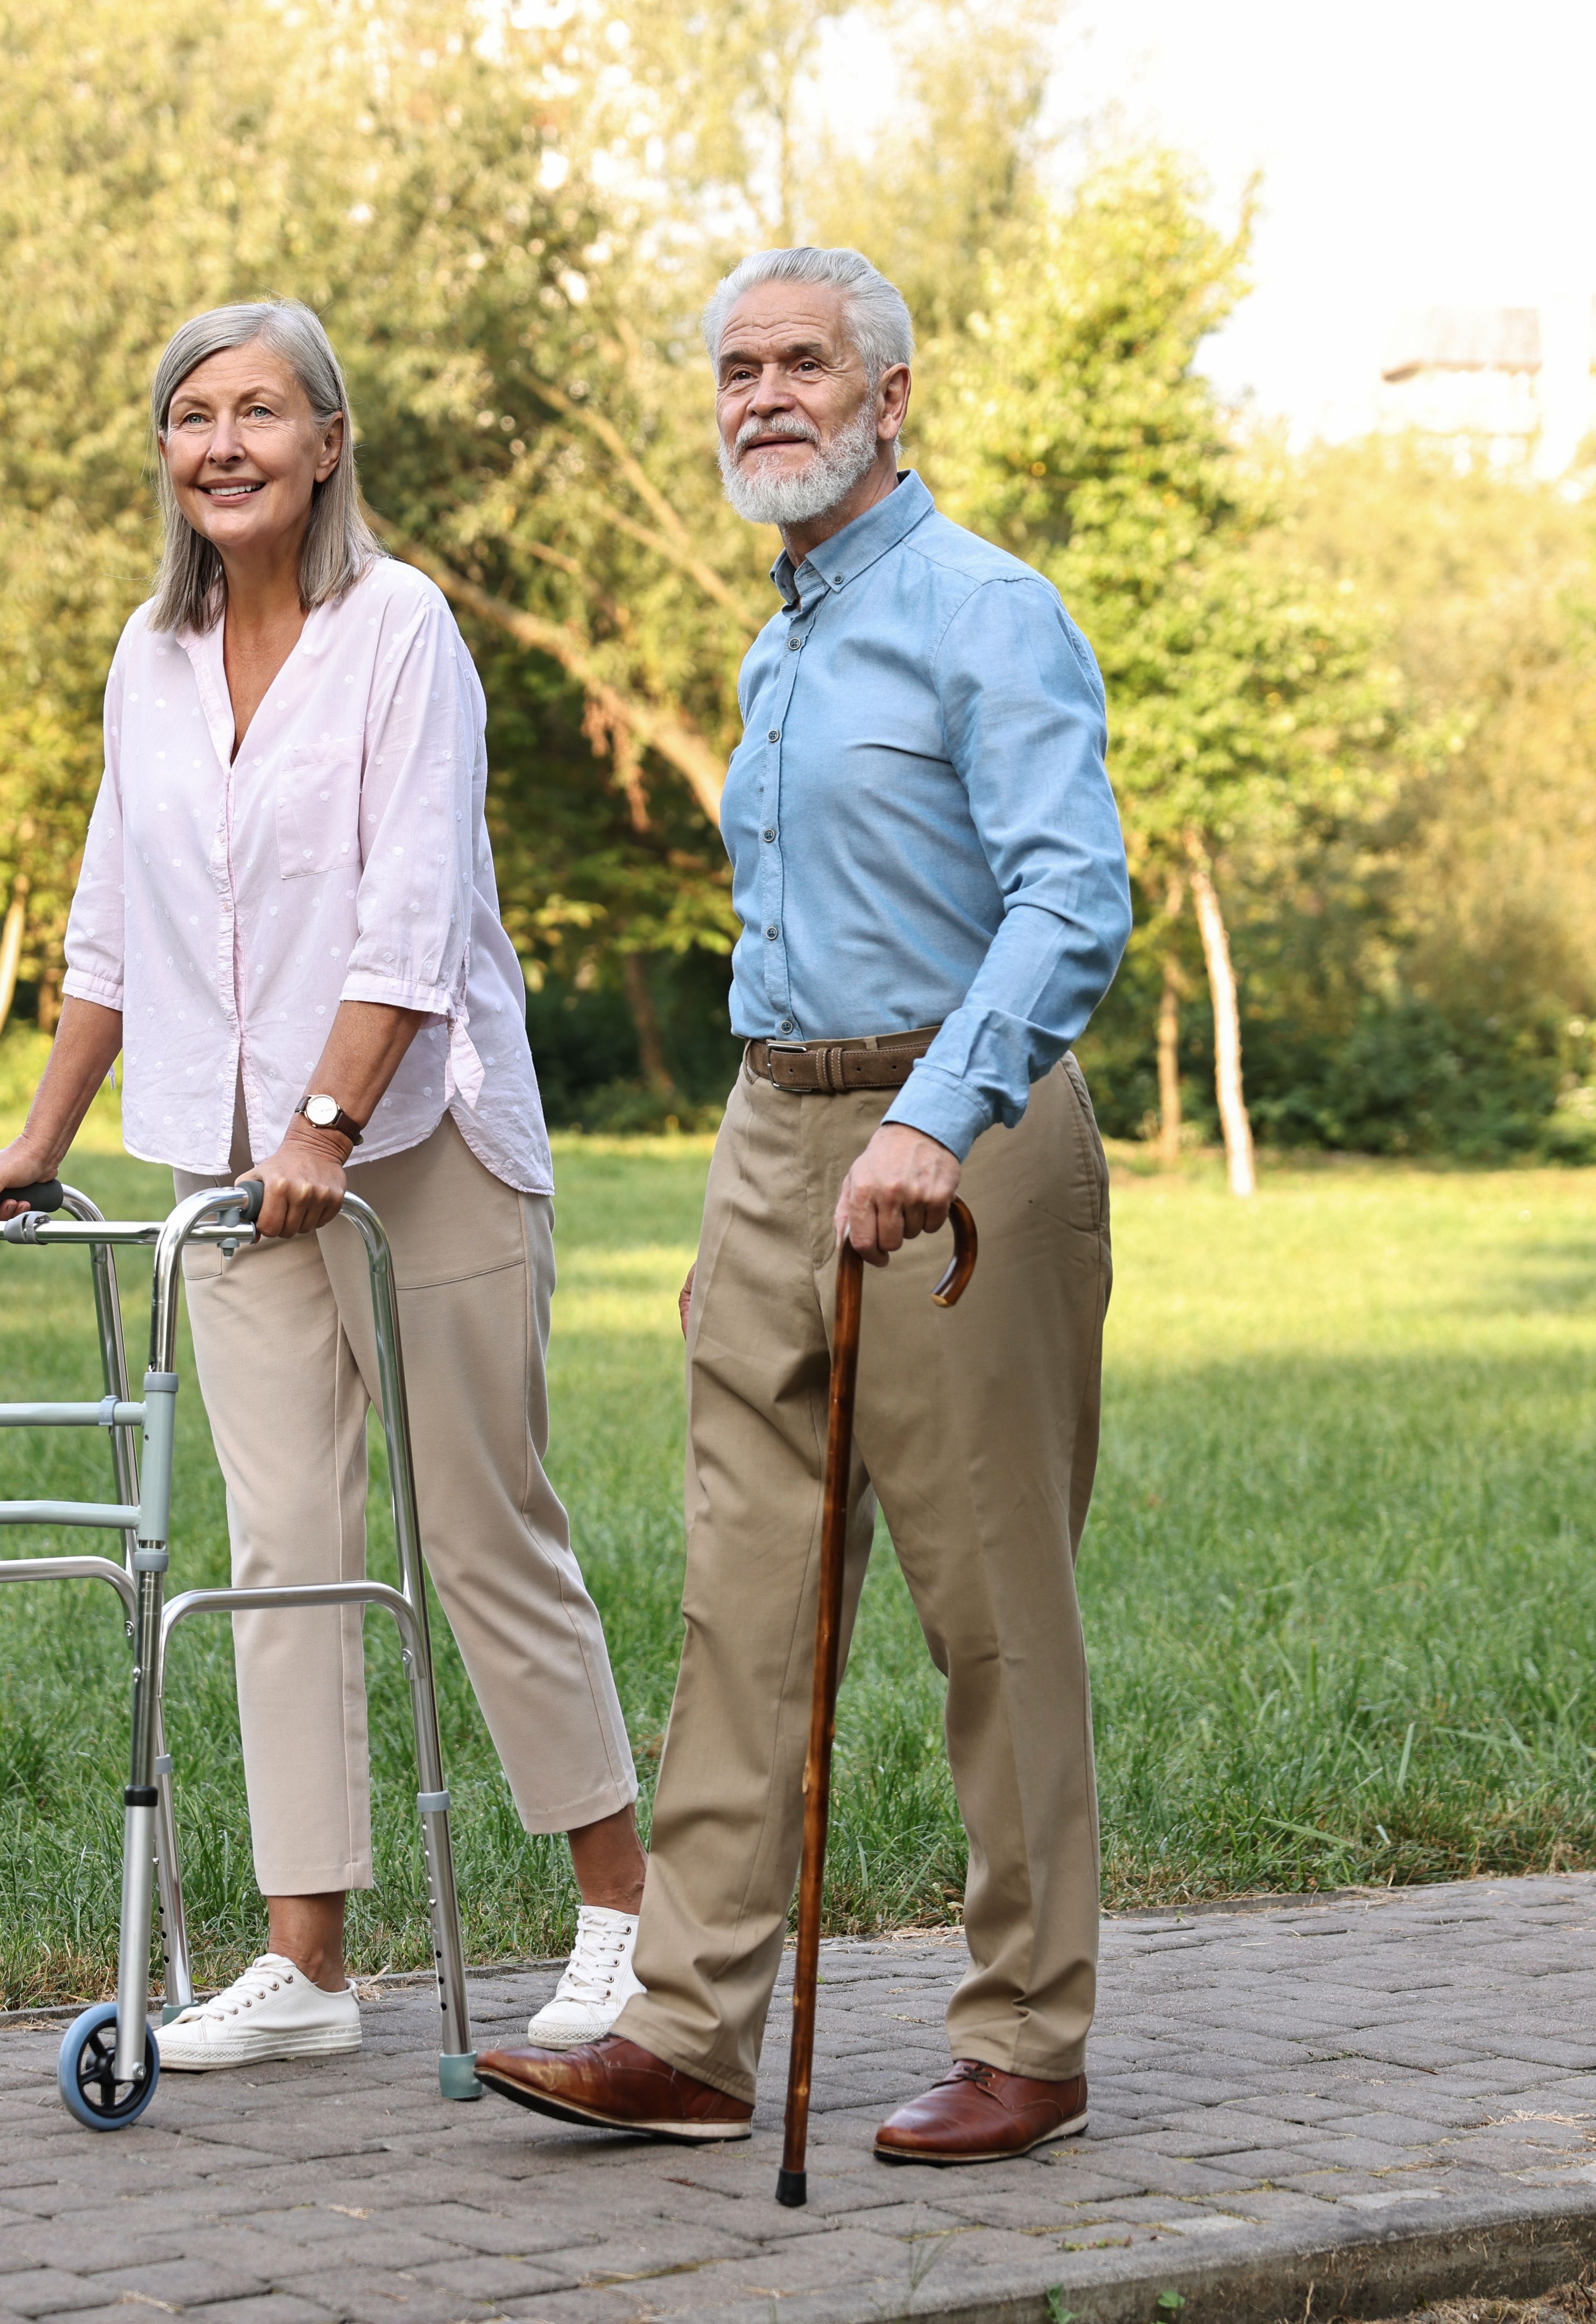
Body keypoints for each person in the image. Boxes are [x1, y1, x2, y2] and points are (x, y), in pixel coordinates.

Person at [472, 247, 1131, 2163]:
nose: (765, 394)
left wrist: (929, 1124)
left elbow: (1070, 898)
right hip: (777, 1136)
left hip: (966, 1140)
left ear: (891, 396)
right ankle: (685, 2031)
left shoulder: (985, 612)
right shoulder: (780, 640)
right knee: (742, 1603)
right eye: (740, 369)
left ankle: (1030, 2034)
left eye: (805, 365)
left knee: (991, 1607)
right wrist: (769, 1166)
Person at [0, 299, 651, 2070]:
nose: (223, 444)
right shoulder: (150, 652)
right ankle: (309, 1966)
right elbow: (115, 917)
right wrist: (44, 1134)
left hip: (413, 1146)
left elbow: (411, 908)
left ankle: (624, 1923)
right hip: (227, 1157)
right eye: (192, 415)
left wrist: (328, 1127)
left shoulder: (399, 628)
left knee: (481, 1524)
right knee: (279, 1552)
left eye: (260, 410)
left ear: (328, 442)